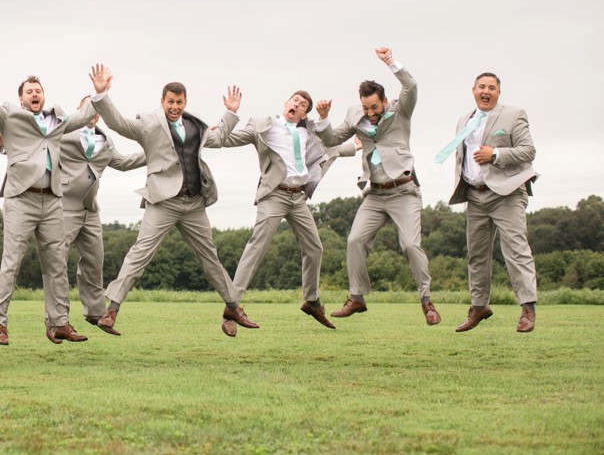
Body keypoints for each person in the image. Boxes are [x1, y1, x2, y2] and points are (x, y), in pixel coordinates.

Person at [0, 49, 98, 346]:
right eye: (30, 91)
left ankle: (59, 323)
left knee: (57, 265)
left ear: (43, 96)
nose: (35, 94)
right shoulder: (10, 115)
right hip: (20, 200)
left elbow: (84, 116)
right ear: (22, 98)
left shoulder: (58, 121)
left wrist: (100, 94)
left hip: (52, 201)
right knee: (11, 264)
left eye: (39, 91)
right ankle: (0, 324)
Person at [87, 64, 257, 337]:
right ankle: (112, 310)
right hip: (163, 202)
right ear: (162, 101)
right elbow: (119, 124)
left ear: (185, 102)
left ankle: (233, 307)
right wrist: (101, 95)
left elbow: (219, 137)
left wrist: (231, 112)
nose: (174, 106)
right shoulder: (149, 124)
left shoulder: (195, 125)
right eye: (170, 102)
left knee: (210, 258)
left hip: (193, 203)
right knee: (139, 254)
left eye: (179, 102)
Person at [0, 96, 145, 338]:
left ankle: (94, 311)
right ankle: (55, 321)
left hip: (90, 209)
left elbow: (123, 163)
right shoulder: (64, 133)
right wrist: (5, 145)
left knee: (95, 260)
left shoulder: (106, 141)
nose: (92, 112)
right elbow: (36, 148)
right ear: (79, 110)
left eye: (96, 109)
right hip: (62, 207)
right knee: (56, 265)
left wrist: (152, 153)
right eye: (87, 107)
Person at [314, 48, 440, 325]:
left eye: (375, 107)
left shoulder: (401, 110)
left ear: (384, 101)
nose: (370, 113)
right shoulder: (355, 115)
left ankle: (427, 301)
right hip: (374, 194)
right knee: (355, 241)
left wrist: (390, 62)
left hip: (403, 191)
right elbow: (333, 139)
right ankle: (357, 298)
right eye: (366, 107)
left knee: (409, 245)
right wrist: (323, 118)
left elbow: (411, 85)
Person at [212, 91, 357, 329]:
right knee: (256, 248)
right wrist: (223, 122)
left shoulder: (308, 132)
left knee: (314, 247)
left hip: (298, 197)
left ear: (303, 114)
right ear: (286, 104)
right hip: (274, 194)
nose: (297, 105)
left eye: (303, 105)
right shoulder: (264, 126)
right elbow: (229, 139)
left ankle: (311, 300)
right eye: (295, 101)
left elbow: (331, 146)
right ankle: (231, 308)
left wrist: (352, 144)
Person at [436, 72, 538, 333]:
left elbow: (528, 151)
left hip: (507, 193)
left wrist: (495, 154)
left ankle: (527, 308)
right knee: (477, 256)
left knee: (516, 250)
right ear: (473, 90)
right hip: (474, 194)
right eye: (482, 86)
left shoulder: (514, 115)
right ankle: (479, 307)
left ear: (498, 93)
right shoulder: (463, 120)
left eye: (492, 88)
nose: (486, 91)